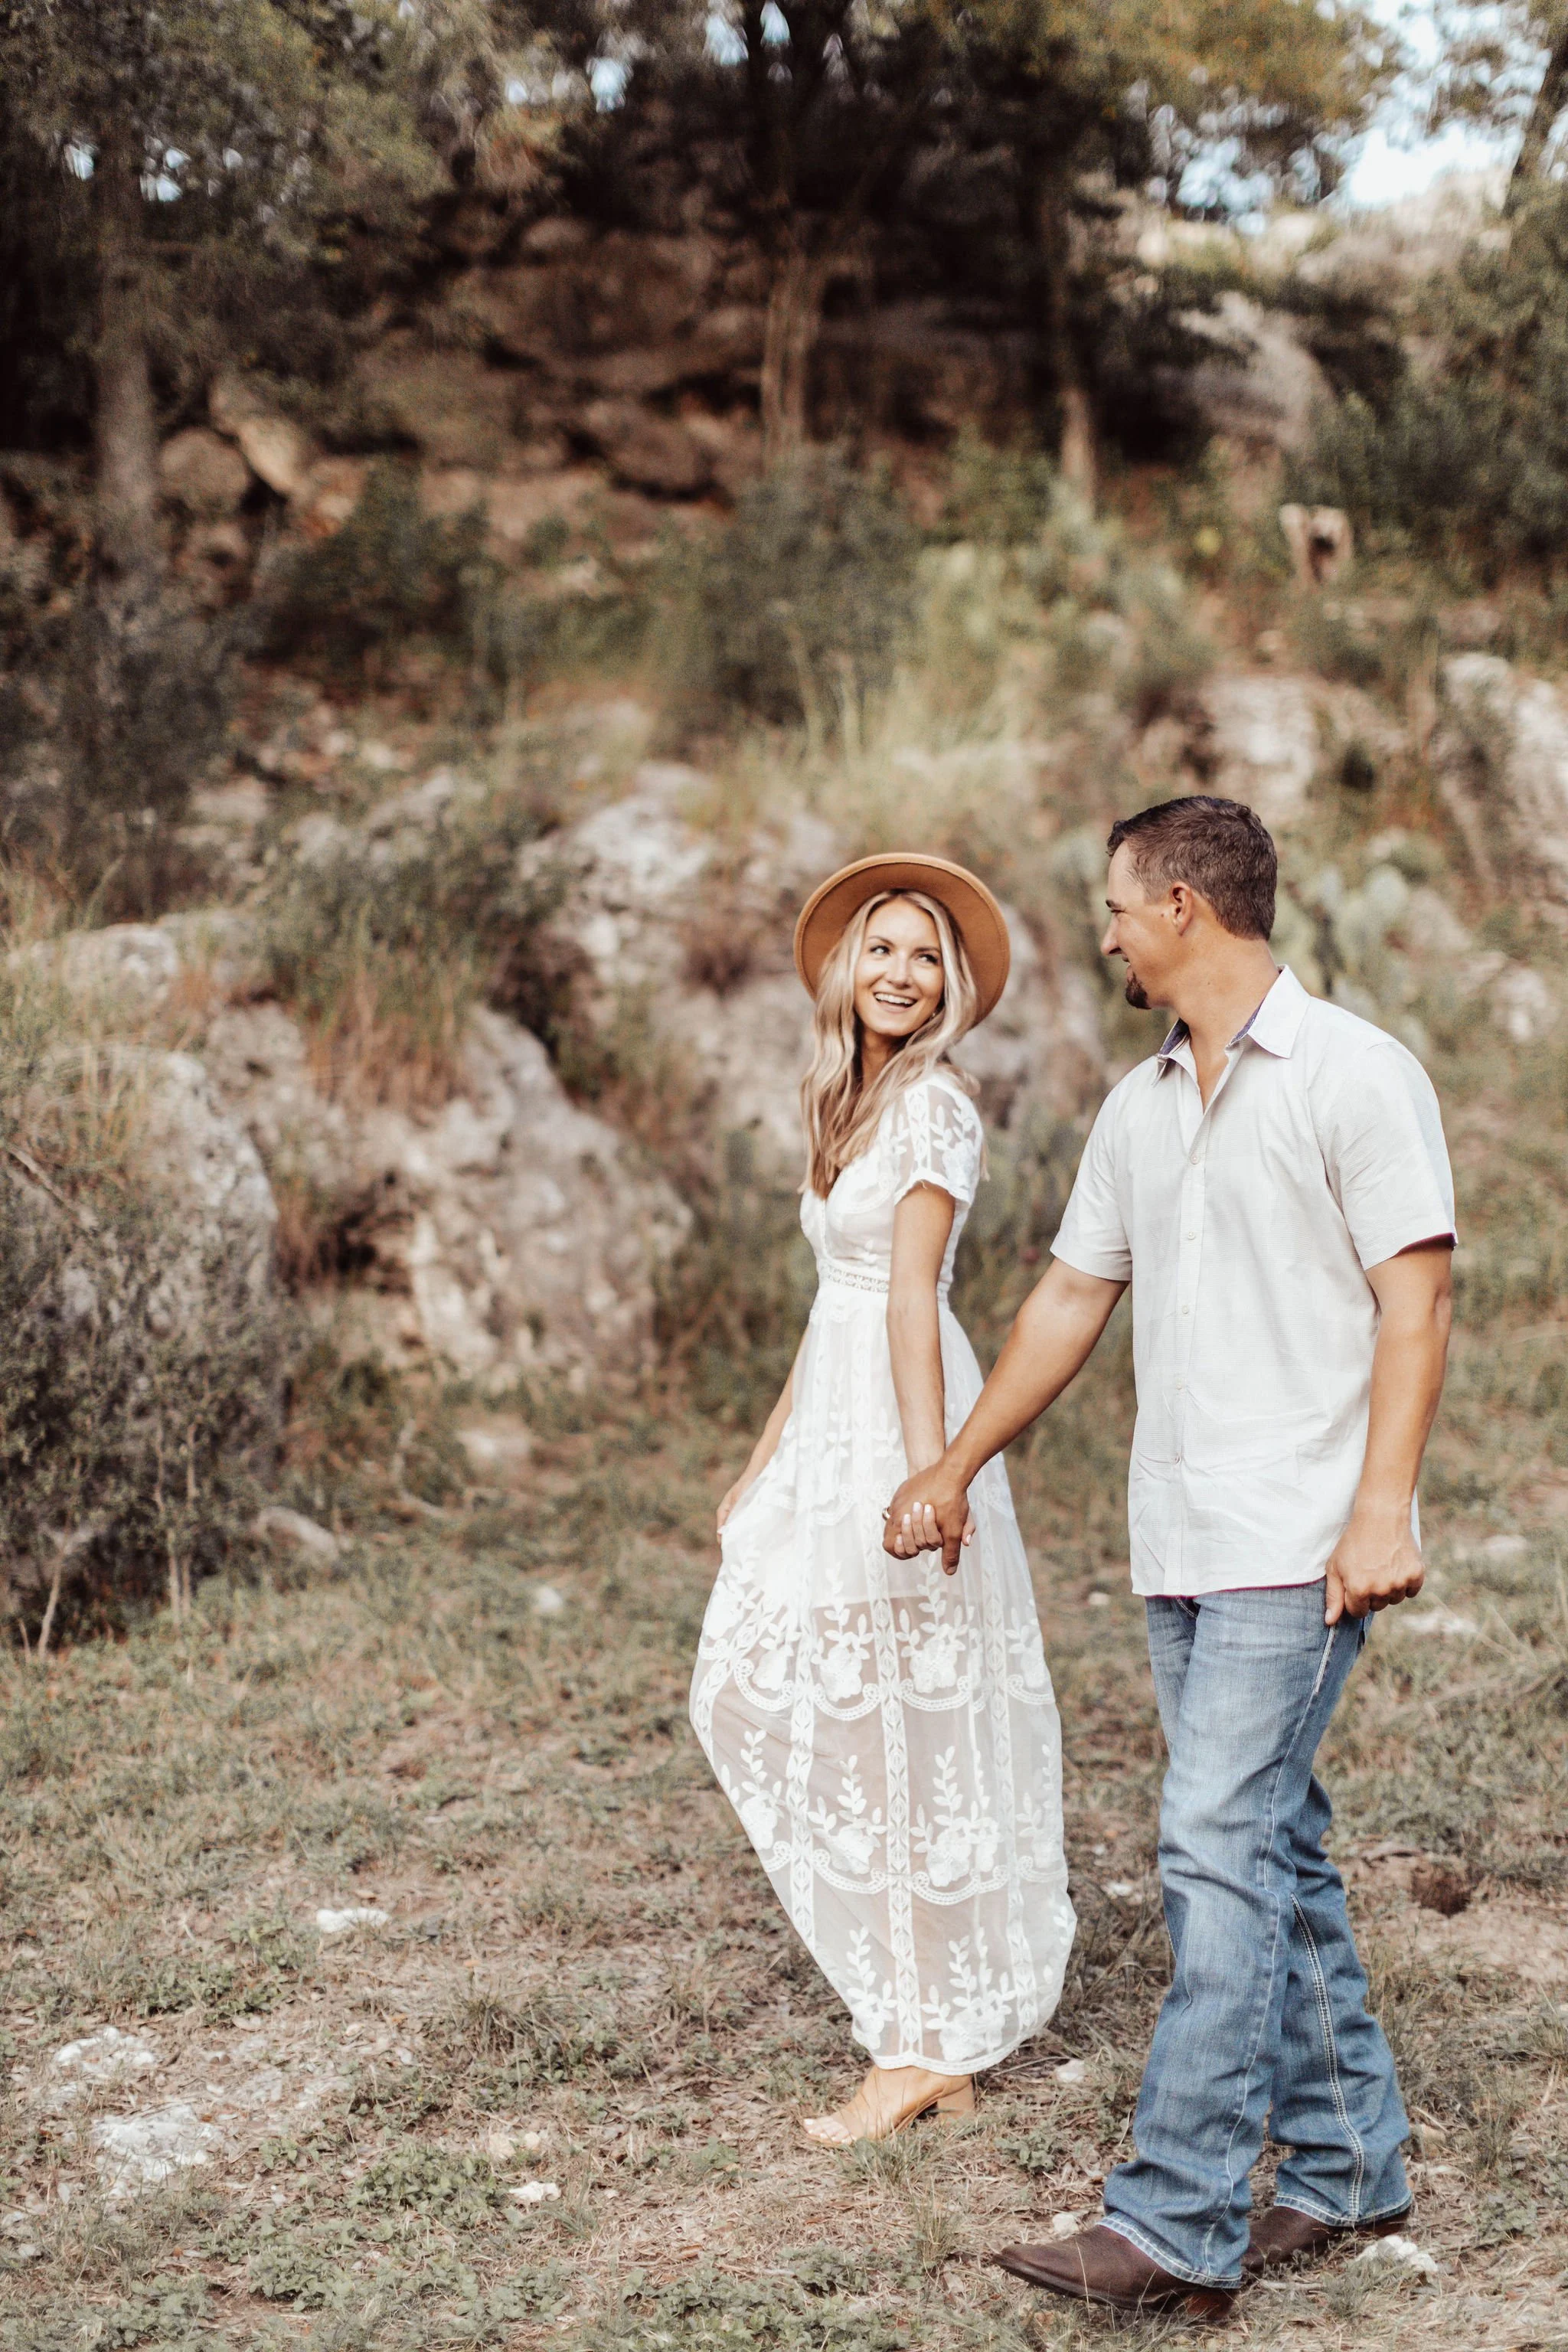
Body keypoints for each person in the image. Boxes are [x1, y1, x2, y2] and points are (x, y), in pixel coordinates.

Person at [884, 796, 1454, 2319]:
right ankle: (1350, 2166)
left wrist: (1381, 1510)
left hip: (1300, 1535)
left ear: (1185, 906)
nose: (1109, 937)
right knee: (1270, 1845)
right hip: (1180, 1536)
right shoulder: (1137, 1110)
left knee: (1210, 1846)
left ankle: (1177, 2218)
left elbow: (1418, 1302)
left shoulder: (1355, 1073)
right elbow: (1071, 1301)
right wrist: (953, 1460)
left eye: (1118, 909)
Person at [690, 852, 1076, 2145]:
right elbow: (835, 1305)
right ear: (848, 970)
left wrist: (931, 1473)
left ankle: (919, 2046)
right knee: (762, 1691)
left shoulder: (934, 1110)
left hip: (899, 1420)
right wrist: (763, 1461)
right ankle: (923, 2019)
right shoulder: (851, 1099)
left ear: (949, 985)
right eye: (883, 949)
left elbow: (912, 1299)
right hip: (833, 1413)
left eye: (925, 957)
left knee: (907, 1720)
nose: (902, 973)